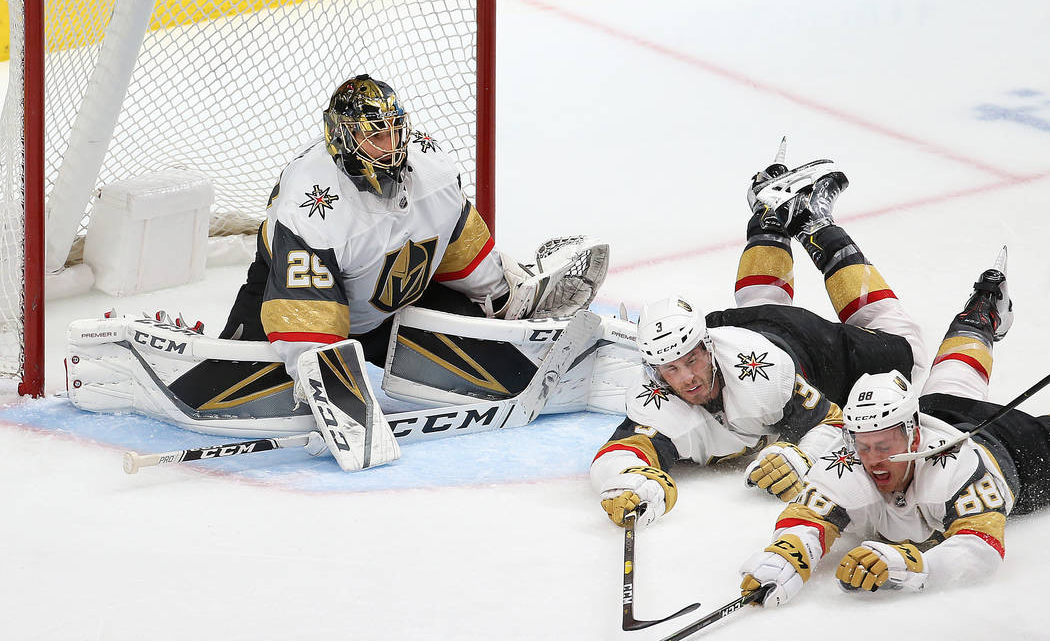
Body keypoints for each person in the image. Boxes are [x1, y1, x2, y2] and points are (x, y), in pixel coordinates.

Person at [66, 74, 609, 437]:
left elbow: (457, 243)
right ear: (343, 138)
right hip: (291, 298)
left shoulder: (434, 170)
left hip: (393, 305)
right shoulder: (309, 200)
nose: (390, 146)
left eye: (395, 131)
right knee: (233, 380)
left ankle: (524, 299)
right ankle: (155, 352)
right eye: (375, 136)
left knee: (480, 339)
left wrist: (499, 299)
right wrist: (327, 379)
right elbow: (309, 322)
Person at [591, 148, 928, 528]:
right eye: (670, 368)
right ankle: (768, 216)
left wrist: (802, 455)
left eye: (691, 359)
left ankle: (814, 223)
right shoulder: (653, 398)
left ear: (708, 348)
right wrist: (627, 482)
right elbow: (619, 450)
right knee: (758, 302)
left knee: (909, 350)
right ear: (654, 373)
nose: (686, 377)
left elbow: (831, 423)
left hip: (802, 342)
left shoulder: (764, 377)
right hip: (741, 325)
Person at [739, 251, 1050, 602]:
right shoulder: (847, 460)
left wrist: (914, 566)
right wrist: (784, 559)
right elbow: (807, 520)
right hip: (937, 410)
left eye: (884, 446)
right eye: (863, 444)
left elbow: (981, 549)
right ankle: (981, 314)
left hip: (1004, 443)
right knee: (955, 377)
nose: (872, 459)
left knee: (960, 386)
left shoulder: (960, 469)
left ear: (913, 435)